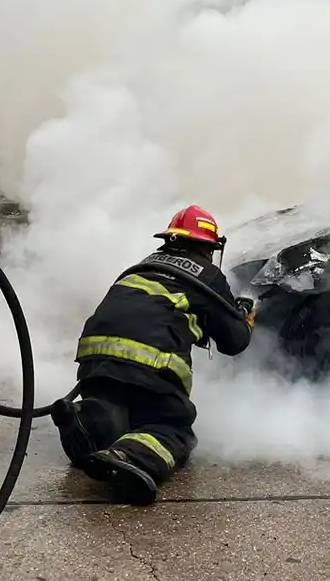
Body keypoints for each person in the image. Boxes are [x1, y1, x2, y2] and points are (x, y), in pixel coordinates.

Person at [52, 205, 255, 505]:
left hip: (93, 357)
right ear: (205, 247)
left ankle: (86, 420)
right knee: (172, 430)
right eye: (210, 250)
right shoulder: (207, 274)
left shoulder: (145, 264)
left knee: (122, 417)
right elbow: (233, 342)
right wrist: (245, 320)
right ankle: (130, 457)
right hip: (147, 361)